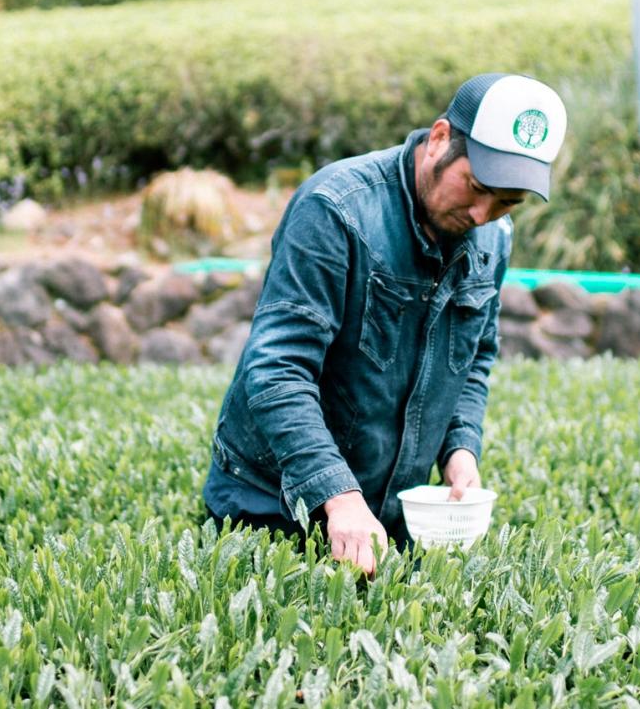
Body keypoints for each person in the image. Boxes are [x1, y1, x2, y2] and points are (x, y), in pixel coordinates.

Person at [202, 72, 568, 573]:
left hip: (387, 516)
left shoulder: (493, 236)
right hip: (270, 504)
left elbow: (474, 355)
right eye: (477, 187)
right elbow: (277, 368)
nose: (483, 213)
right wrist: (338, 495)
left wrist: (460, 449)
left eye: (507, 202)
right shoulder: (334, 210)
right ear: (440, 139)